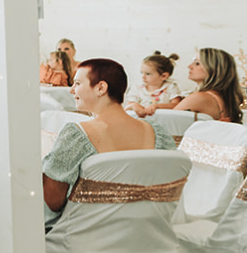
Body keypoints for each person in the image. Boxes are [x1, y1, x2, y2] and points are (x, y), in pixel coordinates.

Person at [43, 58, 176, 228]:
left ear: (101, 88)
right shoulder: (159, 134)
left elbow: (53, 202)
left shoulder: (76, 135)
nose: (71, 90)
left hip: (88, 234)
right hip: (146, 231)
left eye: (77, 83)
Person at [157, 48, 244, 122]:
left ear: (212, 69)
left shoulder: (200, 98)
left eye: (197, 63)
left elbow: (167, 122)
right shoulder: (221, 96)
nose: (189, 66)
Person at [126, 52, 181, 118]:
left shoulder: (171, 87)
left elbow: (177, 105)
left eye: (148, 74)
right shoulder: (138, 87)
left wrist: (157, 106)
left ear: (164, 76)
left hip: (163, 120)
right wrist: (134, 105)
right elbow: (127, 107)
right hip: (141, 121)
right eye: (142, 73)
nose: (143, 77)